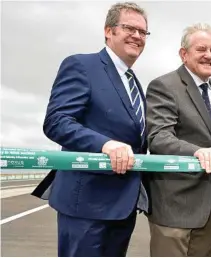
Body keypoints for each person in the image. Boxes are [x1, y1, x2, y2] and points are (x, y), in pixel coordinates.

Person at [31, 2, 150, 256]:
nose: (137, 36)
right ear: (109, 31)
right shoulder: (82, 66)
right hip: (85, 205)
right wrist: (105, 144)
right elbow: (57, 121)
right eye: (130, 28)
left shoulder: (135, 85)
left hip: (122, 207)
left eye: (143, 32)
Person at [144, 23, 211, 257]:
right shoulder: (165, 86)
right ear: (184, 54)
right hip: (174, 205)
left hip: (207, 205)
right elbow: (159, 137)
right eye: (202, 49)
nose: (209, 55)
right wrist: (197, 151)